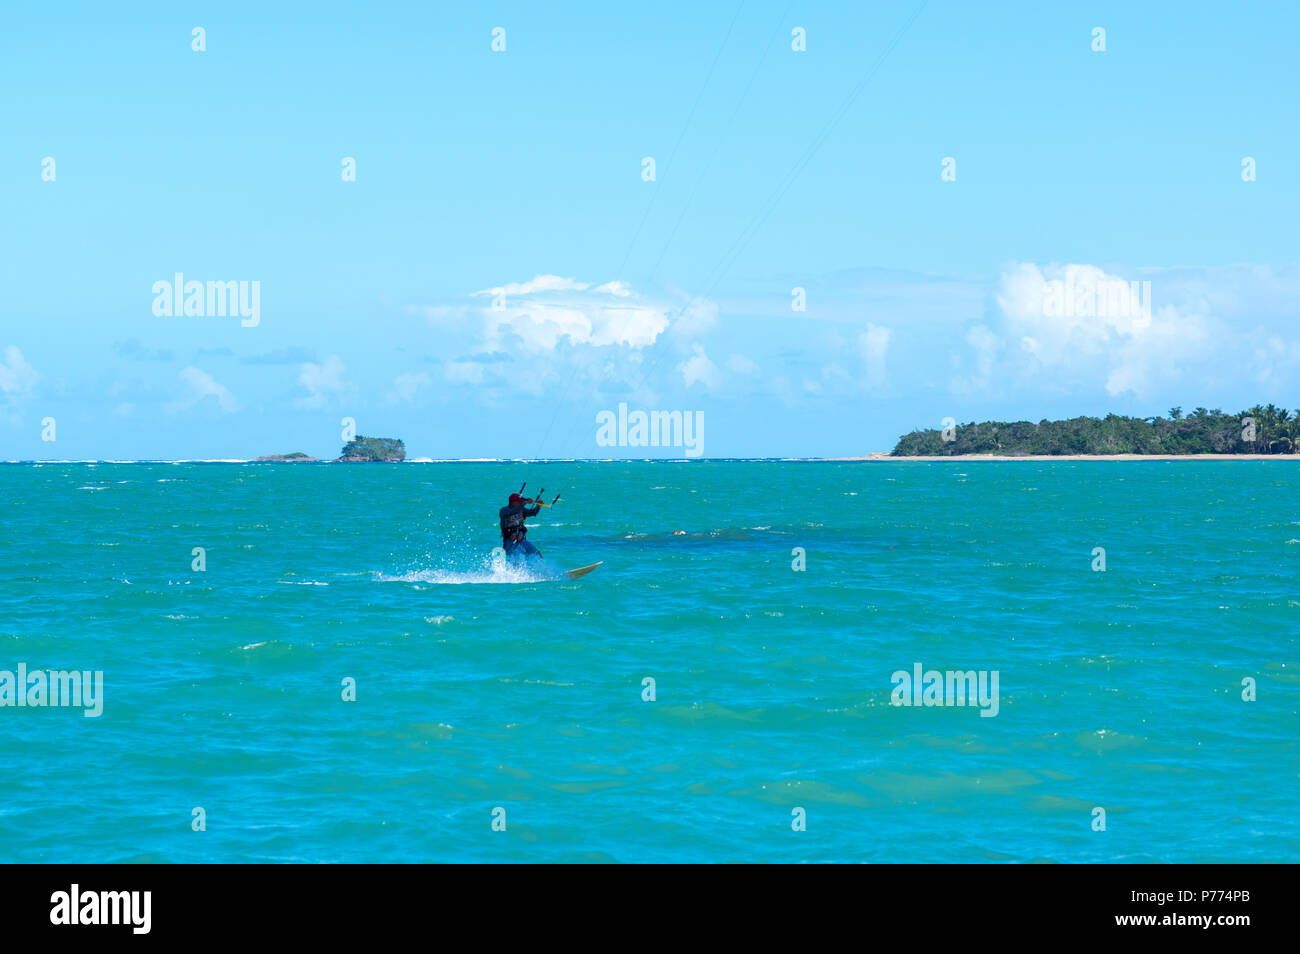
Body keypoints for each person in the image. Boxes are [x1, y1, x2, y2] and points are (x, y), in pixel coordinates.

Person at [499, 492, 542, 559]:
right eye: (519, 502)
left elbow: (533, 513)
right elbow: (512, 512)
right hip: (510, 542)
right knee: (514, 560)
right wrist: (524, 503)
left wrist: (538, 507)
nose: (520, 503)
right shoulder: (504, 510)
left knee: (537, 554)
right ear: (513, 502)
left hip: (521, 541)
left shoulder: (521, 509)